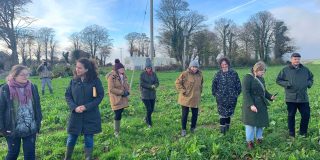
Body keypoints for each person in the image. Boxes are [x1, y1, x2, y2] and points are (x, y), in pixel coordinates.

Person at [64, 58, 104, 160]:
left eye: (80, 68)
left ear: (86, 69)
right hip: (75, 114)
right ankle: (67, 158)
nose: (77, 69)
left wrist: (86, 107)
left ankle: (88, 158)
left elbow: (100, 96)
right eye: (76, 67)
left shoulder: (95, 81)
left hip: (90, 115)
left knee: (89, 138)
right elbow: (68, 95)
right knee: (71, 138)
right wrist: (74, 107)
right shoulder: (73, 81)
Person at [0, 65, 42, 160]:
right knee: (13, 153)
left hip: (30, 127)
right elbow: (1, 109)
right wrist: (2, 128)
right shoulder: (5, 89)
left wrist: (38, 123)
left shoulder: (33, 87)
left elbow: (37, 107)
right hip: (12, 128)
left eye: (27, 74)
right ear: (14, 75)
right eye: (22, 74)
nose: (25, 77)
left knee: (30, 154)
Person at [276, 53, 313, 137]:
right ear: (291, 59)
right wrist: (287, 84)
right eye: (295, 59)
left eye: (298, 59)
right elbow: (278, 80)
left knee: (306, 115)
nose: (297, 61)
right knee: (291, 115)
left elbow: (311, 78)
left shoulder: (305, 70)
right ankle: (291, 133)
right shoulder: (285, 70)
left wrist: (308, 83)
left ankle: (303, 133)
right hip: (291, 98)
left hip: (303, 97)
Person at [242, 61, 276, 149]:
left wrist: (270, 97)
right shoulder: (247, 78)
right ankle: (250, 142)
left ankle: (259, 138)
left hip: (261, 104)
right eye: (261, 71)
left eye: (264, 71)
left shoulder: (261, 78)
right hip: (251, 104)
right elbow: (246, 93)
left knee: (261, 123)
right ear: (256, 70)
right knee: (250, 124)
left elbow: (263, 91)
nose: (263, 73)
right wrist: (251, 105)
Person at [212, 57, 241, 134]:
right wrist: (217, 95)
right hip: (221, 99)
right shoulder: (218, 74)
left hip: (232, 99)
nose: (224, 66)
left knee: (229, 113)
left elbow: (238, 85)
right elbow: (213, 86)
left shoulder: (234, 73)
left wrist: (236, 94)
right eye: (222, 64)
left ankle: (227, 129)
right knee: (222, 114)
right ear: (220, 65)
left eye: (225, 64)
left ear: (228, 64)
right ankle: (222, 132)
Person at [175, 59, 203, 136]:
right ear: (190, 67)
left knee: (195, 114)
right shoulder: (185, 74)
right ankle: (183, 129)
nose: (194, 68)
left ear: (198, 68)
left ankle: (193, 128)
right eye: (193, 67)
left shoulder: (200, 74)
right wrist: (183, 91)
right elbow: (177, 83)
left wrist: (200, 92)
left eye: (196, 67)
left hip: (195, 98)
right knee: (185, 114)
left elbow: (201, 84)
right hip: (185, 98)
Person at [106, 59, 130, 137]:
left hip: (123, 98)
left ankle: (117, 128)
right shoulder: (112, 76)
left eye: (123, 68)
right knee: (117, 113)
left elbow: (126, 85)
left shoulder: (123, 75)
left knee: (120, 112)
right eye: (121, 68)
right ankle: (116, 131)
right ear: (117, 69)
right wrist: (122, 92)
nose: (122, 70)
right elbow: (111, 89)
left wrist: (127, 90)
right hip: (116, 98)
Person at [140, 58, 159, 128]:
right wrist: (150, 86)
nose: (148, 69)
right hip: (145, 95)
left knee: (152, 109)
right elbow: (142, 84)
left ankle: (146, 118)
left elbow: (157, 82)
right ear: (145, 68)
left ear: (151, 68)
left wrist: (155, 85)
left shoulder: (154, 74)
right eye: (147, 68)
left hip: (152, 95)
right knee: (149, 109)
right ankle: (149, 123)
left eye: (150, 68)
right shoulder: (142, 74)